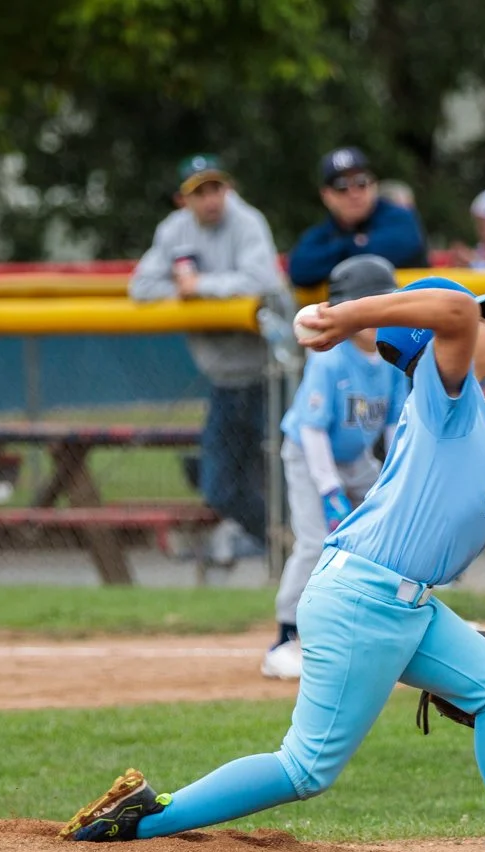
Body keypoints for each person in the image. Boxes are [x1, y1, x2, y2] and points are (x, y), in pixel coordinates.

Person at [60, 275, 485, 852]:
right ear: (431, 344)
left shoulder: (469, 409)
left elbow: (456, 314)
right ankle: (145, 817)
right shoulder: (444, 394)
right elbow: (455, 311)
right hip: (365, 599)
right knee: (306, 769)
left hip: (403, 604)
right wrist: (347, 317)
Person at [129, 154, 294, 566]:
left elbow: (262, 282)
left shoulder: (247, 221)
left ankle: (311, 554)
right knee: (218, 488)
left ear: (228, 189)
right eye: (199, 192)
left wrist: (200, 286)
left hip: (270, 374)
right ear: (182, 199)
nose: (210, 199)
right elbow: (141, 287)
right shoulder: (174, 231)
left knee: (294, 475)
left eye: (215, 188)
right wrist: (184, 291)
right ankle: (283, 546)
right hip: (223, 379)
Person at [262, 255, 408, 681]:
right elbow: (312, 432)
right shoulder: (330, 359)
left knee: (390, 532)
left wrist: (397, 480)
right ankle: (285, 637)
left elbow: (396, 424)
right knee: (314, 542)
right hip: (310, 458)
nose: (373, 318)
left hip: (357, 460)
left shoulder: (392, 357)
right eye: (364, 307)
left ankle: (385, 625)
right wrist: (329, 492)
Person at [287, 148, 430, 287]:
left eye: (361, 182)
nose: (354, 193)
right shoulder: (323, 232)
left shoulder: (399, 218)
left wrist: (336, 253)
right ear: (326, 195)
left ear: (374, 185)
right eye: (341, 187)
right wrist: (353, 244)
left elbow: (394, 250)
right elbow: (299, 270)